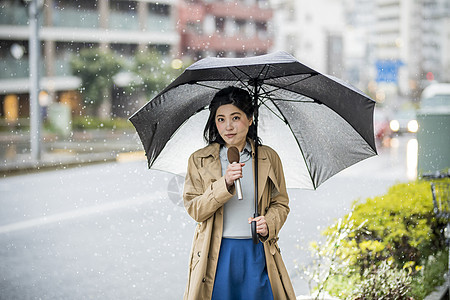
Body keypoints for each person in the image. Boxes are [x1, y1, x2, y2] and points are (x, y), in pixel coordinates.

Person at [183, 86, 296, 300]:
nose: (228, 127)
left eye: (236, 117)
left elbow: (281, 203)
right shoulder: (199, 160)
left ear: (250, 119)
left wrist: (269, 223)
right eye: (221, 119)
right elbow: (195, 209)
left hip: (257, 252)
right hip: (217, 254)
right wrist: (224, 184)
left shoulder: (268, 157)